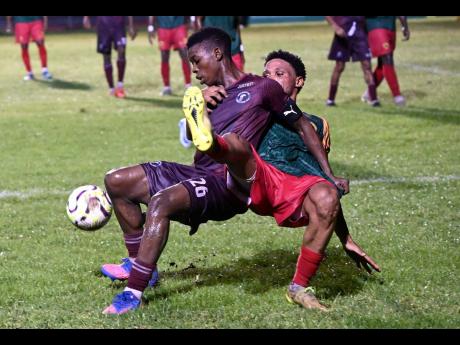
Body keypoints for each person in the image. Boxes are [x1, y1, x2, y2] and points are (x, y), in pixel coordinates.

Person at [101, 28, 377, 314]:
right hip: (198, 171)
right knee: (117, 181)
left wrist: (330, 175)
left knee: (166, 198)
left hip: (227, 181)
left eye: (196, 61)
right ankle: (138, 262)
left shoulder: (262, 88)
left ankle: (133, 293)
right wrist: (200, 110)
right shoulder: (211, 96)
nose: (193, 69)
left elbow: (303, 125)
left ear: (217, 53)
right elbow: (186, 140)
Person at [325, 16, 379, 107]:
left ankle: (374, 100)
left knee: (367, 65)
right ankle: (330, 99)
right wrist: (336, 27)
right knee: (339, 66)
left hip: (360, 34)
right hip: (343, 33)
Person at [83, 16, 136, 98]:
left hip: (119, 24)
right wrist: (86, 17)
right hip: (103, 24)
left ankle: (120, 86)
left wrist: (131, 26)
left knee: (121, 50)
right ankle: (111, 88)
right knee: (106, 56)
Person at [362, 16, 410, 106]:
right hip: (375, 25)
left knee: (383, 63)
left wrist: (404, 26)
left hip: (390, 26)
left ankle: (369, 92)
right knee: (387, 58)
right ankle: (397, 96)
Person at [148, 16, 192, 96]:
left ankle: (188, 85)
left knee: (184, 54)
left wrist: (191, 20)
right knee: (164, 56)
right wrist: (150, 27)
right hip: (163, 27)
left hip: (179, 25)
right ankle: (166, 87)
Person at [5, 16, 53, 81]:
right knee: (24, 47)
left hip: (36, 21)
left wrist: (45, 21)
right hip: (20, 22)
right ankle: (29, 73)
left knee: (40, 42)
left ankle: (45, 70)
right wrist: (8, 24)